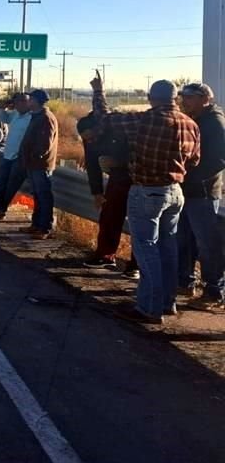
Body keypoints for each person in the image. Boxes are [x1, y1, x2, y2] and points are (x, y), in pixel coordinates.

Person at [98, 77, 200, 324]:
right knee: (168, 248)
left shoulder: (143, 120)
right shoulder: (190, 124)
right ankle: (167, 303)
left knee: (146, 250)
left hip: (147, 191)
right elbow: (195, 160)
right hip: (175, 192)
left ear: (150, 98)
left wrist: (98, 92)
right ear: (175, 98)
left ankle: (148, 308)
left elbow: (105, 118)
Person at [79, 84, 139, 279]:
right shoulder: (89, 140)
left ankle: (136, 265)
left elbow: (139, 151)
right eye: (86, 139)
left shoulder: (118, 128)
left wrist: (120, 161)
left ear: (99, 129)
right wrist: (97, 192)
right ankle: (105, 255)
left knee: (139, 223)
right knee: (109, 217)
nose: (90, 141)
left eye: (92, 136)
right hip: (117, 179)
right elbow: (92, 165)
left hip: (138, 178)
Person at [177, 83, 225, 312]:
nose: (184, 101)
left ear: (204, 98)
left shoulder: (214, 122)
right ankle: (185, 283)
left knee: (208, 244)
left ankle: (214, 290)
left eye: (189, 97)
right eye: (183, 96)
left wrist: (193, 176)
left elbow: (219, 159)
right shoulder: (195, 118)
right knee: (184, 240)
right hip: (187, 190)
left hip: (203, 193)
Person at [18, 89, 59, 239]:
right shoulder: (36, 117)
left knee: (44, 196)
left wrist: (33, 155)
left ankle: (45, 227)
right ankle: (36, 225)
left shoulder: (45, 118)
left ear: (36, 101)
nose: (28, 101)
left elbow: (44, 144)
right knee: (37, 195)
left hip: (40, 164)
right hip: (33, 164)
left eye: (30, 99)